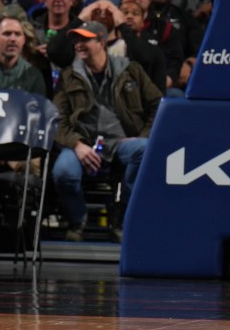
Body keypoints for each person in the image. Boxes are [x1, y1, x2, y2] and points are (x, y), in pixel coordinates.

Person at [53, 20, 162, 242]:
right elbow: (58, 120)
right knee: (63, 172)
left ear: (102, 42)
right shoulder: (68, 76)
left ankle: (121, 216)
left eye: (85, 39)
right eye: (76, 40)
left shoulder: (131, 70)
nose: (78, 44)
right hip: (82, 142)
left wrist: (142, 135)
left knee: (144, 149)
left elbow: (158, 106)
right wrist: (76, 144)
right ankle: (78, 219)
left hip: (122, 140)